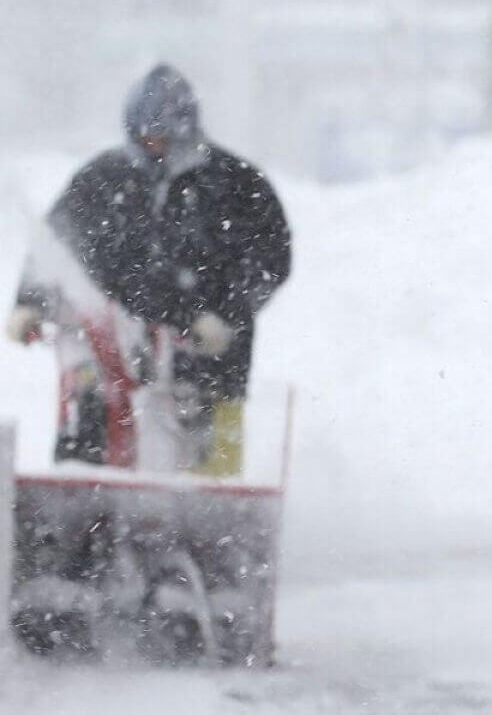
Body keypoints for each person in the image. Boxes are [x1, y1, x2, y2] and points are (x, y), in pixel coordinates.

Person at [6, 63, 291, 475]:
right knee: (92, 432)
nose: (152, 143)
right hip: (117, 352)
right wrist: (30, 302)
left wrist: (226, 317)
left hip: (212, 363)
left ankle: (207, 526)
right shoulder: (102, 179)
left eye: (161, 134)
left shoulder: (236, 185)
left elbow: (270, 261)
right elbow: (56, 246)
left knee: (209, 474)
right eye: (143, 134)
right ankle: (84, 510)